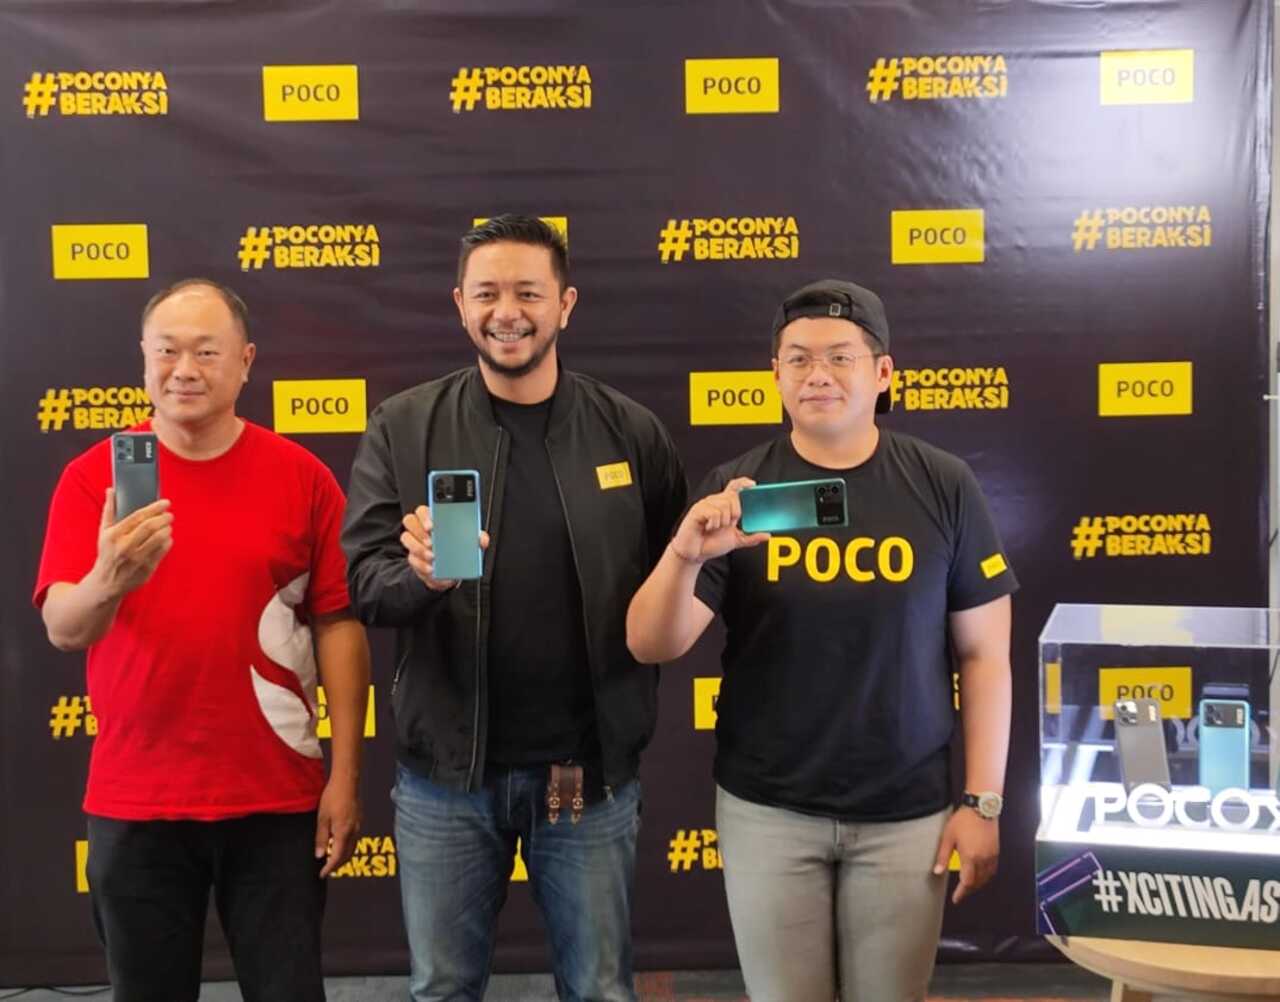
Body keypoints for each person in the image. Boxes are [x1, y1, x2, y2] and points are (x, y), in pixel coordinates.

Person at [626, 279, 1017, 1002]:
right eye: (799, 359)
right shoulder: (740, 490)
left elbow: (985, 656)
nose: (818, 375)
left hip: (906, 811)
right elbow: (652, 644)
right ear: (775, 375)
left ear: (883, 372)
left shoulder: (943, 484)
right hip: (770, 812)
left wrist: (982, 801)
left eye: (840, 357)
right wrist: (684, 555)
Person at [341, 215, 687, 1002]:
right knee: (443, 989)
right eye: (487, 293)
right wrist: (421, 578)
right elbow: (364, 585)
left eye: (528, 292)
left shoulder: (631, 432)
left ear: (566, 303)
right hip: (447, 783)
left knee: (598, 989)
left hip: (579, 777)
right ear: (459, 305)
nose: (508, 312)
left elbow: (678, 581)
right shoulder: (404, 427)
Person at [34, 279, 371, 1002]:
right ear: (143, 358)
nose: (184, 369)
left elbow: (339, 625)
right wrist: (109, 576)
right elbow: (64, 627)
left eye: (207, 352)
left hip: (276, 799)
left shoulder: (303, 478)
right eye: (167, 351)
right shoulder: (93, 479)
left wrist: (344, 776)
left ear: (245, 362)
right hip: (136, 800)